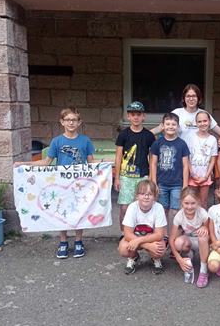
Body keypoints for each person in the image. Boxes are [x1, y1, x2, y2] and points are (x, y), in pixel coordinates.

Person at [15, 107, 95, 259]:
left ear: (79, 122)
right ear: (62, 122)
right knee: (61, 211)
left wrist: (108, 163)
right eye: (68, 120)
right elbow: (46, 162)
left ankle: (78, 241)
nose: (71, 123)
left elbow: (91, 162)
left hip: (80, 183)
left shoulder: (85, 141)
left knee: (80, 210)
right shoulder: (57, 141)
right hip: (61, 183)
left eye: (74, 120)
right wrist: (24, 164)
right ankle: (63, 241)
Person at [114, 101, 155, 236]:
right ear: (128, 116)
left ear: (143, 116)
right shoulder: (123, 135)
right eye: (133, 114)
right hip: (126, 176)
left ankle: (140, 232)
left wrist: (151, 177)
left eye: (138, 114)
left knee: (142, 206)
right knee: (124, 207)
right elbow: (118, 157)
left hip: (143, 175)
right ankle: (123, 233)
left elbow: (152, 158)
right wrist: (117, 177)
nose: (136, 117)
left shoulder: (149, 136)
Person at [151, 84, 220, 146]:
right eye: (188, 96)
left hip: (199, 156)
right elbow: (160, 128)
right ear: (184, 98)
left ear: (198, 98)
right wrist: (144, 134)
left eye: (194, 96)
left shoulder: (204, 114)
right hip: (180, 154)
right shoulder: (177, 113)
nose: (191, 99)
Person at [118, 179, 167, 275]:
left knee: (160, 250)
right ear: (137, 196)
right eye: (142, 193)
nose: (146, 197)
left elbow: (159, 235)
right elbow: (127, 234)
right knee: (123, 248)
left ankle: (155, 259)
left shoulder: (159, 208)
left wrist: (140, 241)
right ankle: (134, 257)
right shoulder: (132, 207)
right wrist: (147, 245)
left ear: (155, 196)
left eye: (150, 194)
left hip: (151, 238)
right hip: (135, 237)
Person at [150, 112, 190, 227]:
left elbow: (186, 165)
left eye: (173, 124)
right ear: (163, 126)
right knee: (162, 210)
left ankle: (173, 233)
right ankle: (163, 234)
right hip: (161, 183)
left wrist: (185, 185)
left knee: (175, 210)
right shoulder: (157, 143)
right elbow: (153, 164)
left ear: (178, 126)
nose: (170, 127)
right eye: (168, 124)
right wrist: (154, 182)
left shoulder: (182, 144)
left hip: (177, 184)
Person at [169, 187, 210, 288]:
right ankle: (188, 257)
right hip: (190, 241)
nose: (189, 207)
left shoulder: (203, 213)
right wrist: (179, 259)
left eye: (193, 203)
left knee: (203, 236)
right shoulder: (179, 216)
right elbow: (171, 239)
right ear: (181, 203)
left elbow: (210, 233)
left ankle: (204, 270)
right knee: (178, 242)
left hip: (203, 243)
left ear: (198, 202)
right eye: (186, 203)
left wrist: (205, 227)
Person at [188, 111, 218, 209]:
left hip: (205, 176)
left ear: (209, 122)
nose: (202, 123)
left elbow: (213, 160)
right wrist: (192, 174)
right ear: (196, 123)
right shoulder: (191, 137)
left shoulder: (213, 139)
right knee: (191, 201)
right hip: (192, 176)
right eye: (199, 121)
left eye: (205, 121)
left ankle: (202, 219)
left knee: (203, 203)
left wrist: (206, 176)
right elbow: (187, 157)